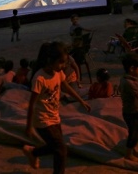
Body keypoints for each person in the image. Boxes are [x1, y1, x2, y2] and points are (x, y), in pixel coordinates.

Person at [23, 41, 91, 173]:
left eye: (65, 62)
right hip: (42, 120)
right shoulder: (40, 78)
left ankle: (33, 152)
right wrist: (29, 126)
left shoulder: (58, 73)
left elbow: (66, 86)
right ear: (50, 60)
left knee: (55, 148)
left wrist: (81, 100)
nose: (64, 65)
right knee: (61, 150)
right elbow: (32, 104)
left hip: (54, 116)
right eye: (61, 62)